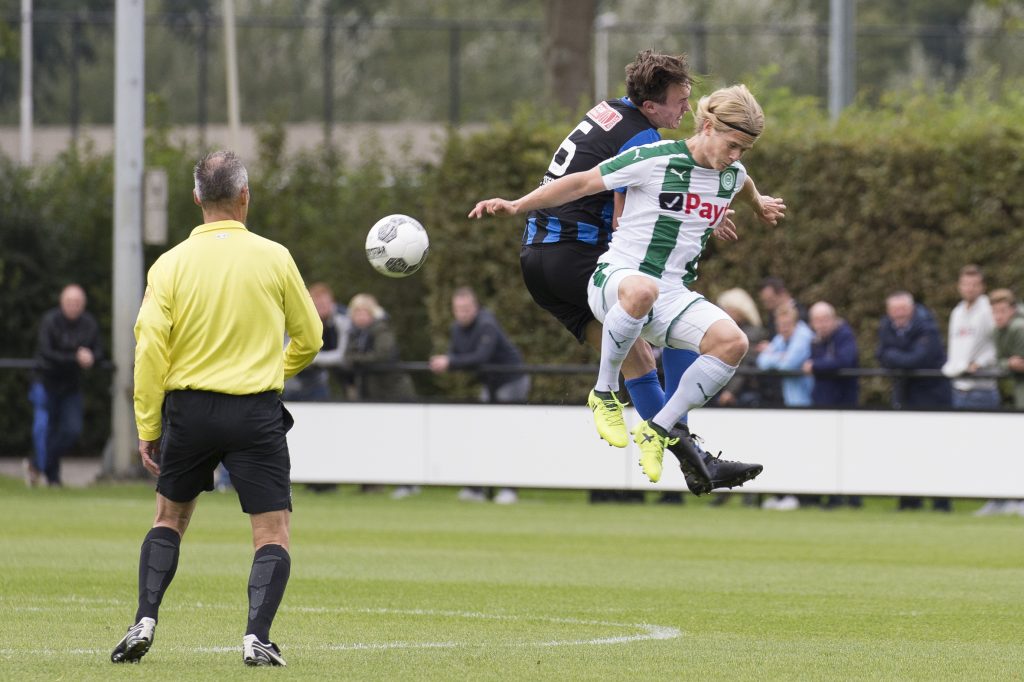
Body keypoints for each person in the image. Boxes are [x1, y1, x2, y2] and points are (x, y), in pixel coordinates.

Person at [470, 84, 784, 486]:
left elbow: (745, 184)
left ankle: (660, 427)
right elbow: (581, 183)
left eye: (745, 149)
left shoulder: (732, 175)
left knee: (733, 342)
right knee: (642, 290)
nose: (737, 155)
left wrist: (760, 205)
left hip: (672, 294)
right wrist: (517, 204)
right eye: (733, 145)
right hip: (616, 278)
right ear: (707, 127)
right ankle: (604, 392)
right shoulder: (653, 157)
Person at [110, 151, 323, 666]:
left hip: (190, 411)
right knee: (272, 533)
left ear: (196, 197)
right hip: (254, 412)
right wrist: (272, 371)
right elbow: (311, 337)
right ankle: (256, 637)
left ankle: (145, 619)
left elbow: (149, 349)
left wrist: (147, 425)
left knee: (169, 518)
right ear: (245, 195)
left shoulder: (170, 264)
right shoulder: (275, 257)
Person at [430, 287, 525, 504]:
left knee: (504, 435)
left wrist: (449, 362)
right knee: (482, 434)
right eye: (458, 309)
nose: (462, 313)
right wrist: (448, 361)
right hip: (489, 384)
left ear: (475, 307)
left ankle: (509, 489)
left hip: (510, 380)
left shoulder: (486, 324)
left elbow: (480, 357)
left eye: (466, 308)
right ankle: (477, 489)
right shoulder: (456, 328)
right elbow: (457, 355)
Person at [876, 291, 953, 512]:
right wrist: (900, 358)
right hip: (904, 396)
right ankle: (909, 501)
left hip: (932, 398)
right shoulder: (887, 326)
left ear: (912, 309)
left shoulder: (927, 327)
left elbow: (919, 358)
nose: (898, 314)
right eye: (894, 310)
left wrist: (895, 357)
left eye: (902, 309)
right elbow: (881, 354)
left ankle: (941, 503)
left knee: (935, 451)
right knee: (906, 451)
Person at [33, 283, 103, 487]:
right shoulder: (50, 321)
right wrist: (75, 358)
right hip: (46, 383)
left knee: (71, 430)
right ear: (62, 302)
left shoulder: (89, 323)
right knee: (44, 429)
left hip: (71, 387)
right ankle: (52, 478)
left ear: (83, 304)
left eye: (77, 302)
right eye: (70, 301)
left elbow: (99, 352)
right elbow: (46, 353)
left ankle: (37, 463)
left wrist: (91, 357)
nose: (73, 305)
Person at [802, 300, 861, 509]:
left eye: (824, 319)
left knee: (848, 453)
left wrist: (815, 366)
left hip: (844, 403)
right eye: (817, 320)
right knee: (826, 452)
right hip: (823, 402)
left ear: (833, 318)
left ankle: (852, 499)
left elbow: (844, 361)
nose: (821, 324)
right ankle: (828, 496)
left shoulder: (844, 336)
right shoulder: (816, 340)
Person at [975, 288, 1024, 516]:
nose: (999, 316)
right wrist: (1008, 364)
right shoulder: (998, 331)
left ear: (1012, 310)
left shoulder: (1018, 328)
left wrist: (1010, 364)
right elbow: (1004, 361)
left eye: (1003, 311)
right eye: (995, 311)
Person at [941, 265, 1000, 409]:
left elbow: (999, 344)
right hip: (957, 388)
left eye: (975, 284)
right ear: (959, 286)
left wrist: (980, 363)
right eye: (966, 284)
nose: (970, 288)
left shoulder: (989, 310)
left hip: (982, 390)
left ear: (983, 287)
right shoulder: (957, 312)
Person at [283, 282, 351, 402]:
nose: (321, 308)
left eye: (324, 304)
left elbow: (342, 355)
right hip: (297, 381)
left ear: (332, 302)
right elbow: (286, 347)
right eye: (317, 305)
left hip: (334, 376)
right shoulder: (300, 318)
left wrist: (311, 357)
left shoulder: (342, 319)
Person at [714, 287, 769, 408]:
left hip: (743, 393)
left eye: (727, 309)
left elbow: (744, 363)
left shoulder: (753, 333)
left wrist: (730, 391)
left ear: (739, 310)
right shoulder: (729, 331)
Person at [755, 303, 814, 407]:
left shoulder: (803, 336)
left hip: (809, 398)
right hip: (792, 398)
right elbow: (761, 362)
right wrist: (781, 356)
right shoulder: (781, 337)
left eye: (787, 324)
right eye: (780, 325)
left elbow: (787, 365)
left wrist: (773, 357)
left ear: (795, 323)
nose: (783, 328)